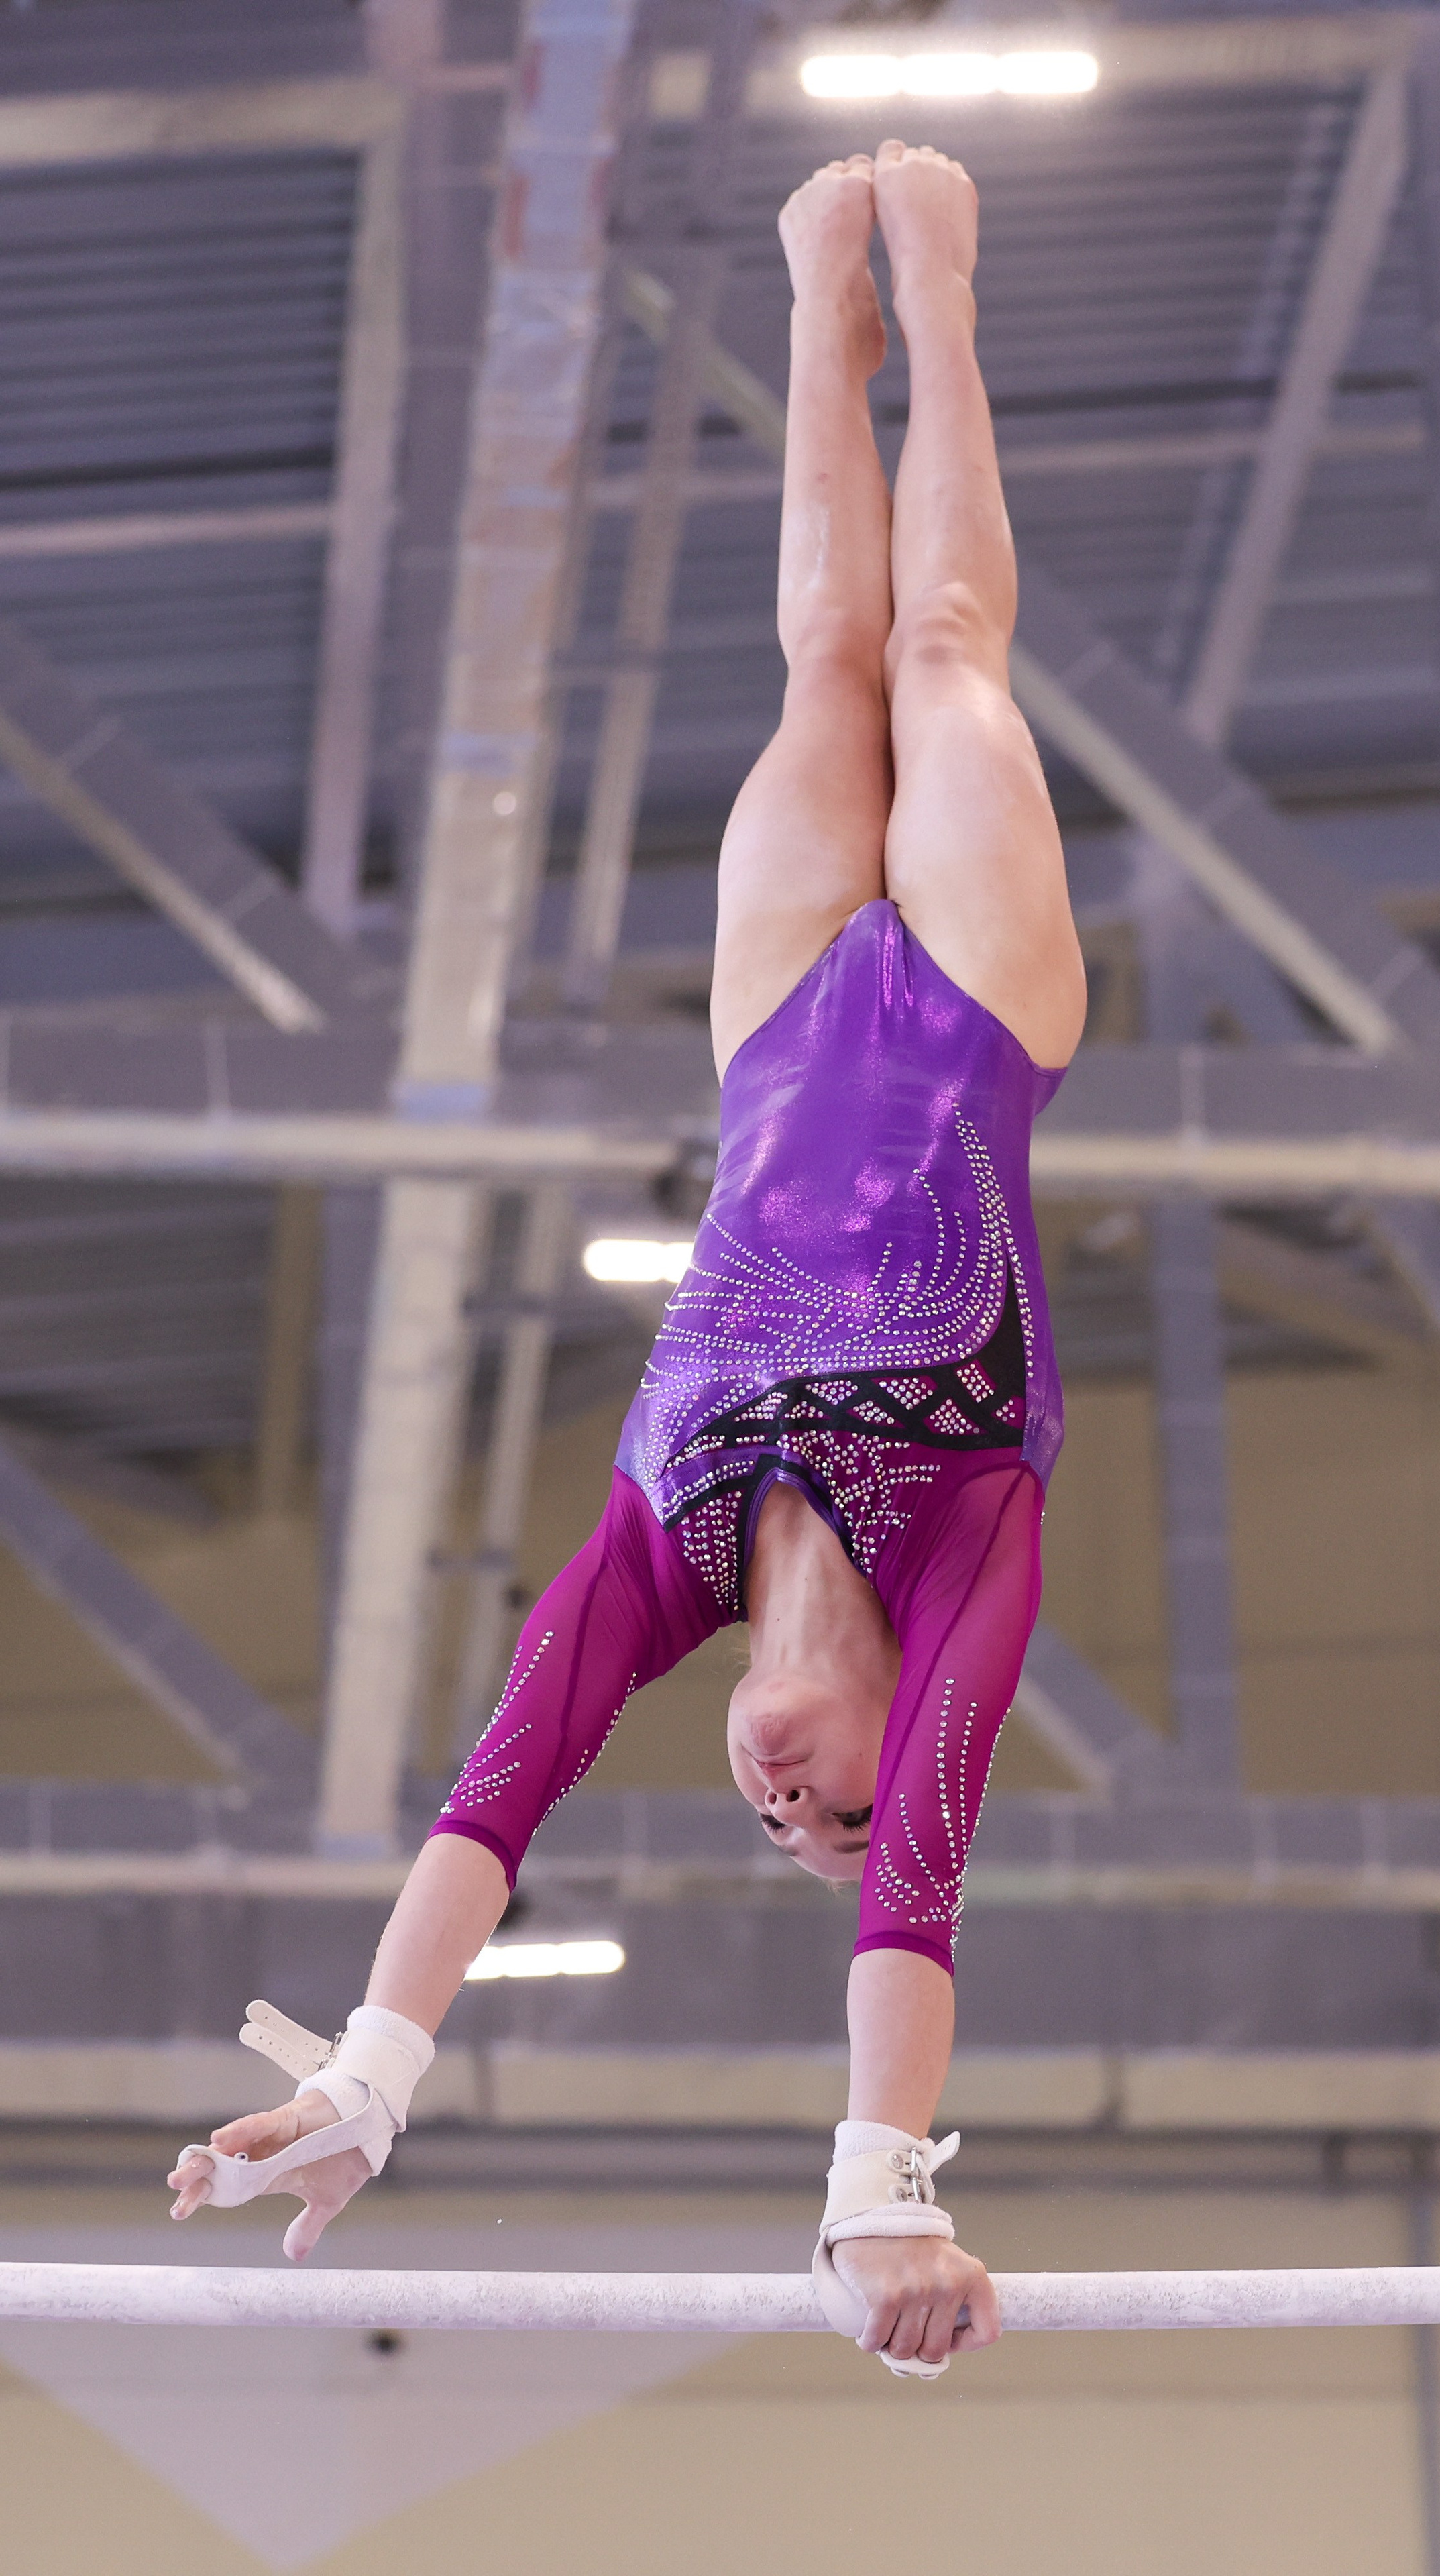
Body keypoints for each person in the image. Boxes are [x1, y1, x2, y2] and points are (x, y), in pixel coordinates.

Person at [168, 140, 1086, 2381]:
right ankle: (938, 284)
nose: (794, 1806)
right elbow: (917, 1896)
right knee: (942, 645)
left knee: (814, 650)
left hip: (777, 1032)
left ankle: (809, 302)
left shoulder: (656, 1562)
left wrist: (366, 2081)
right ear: (895, 1741)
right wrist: (878, 2195)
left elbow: (489, 1802)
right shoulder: (975, 1552)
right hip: (977, 1016)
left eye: (769, 1815)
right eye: (831, 1805)